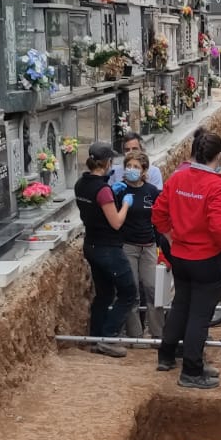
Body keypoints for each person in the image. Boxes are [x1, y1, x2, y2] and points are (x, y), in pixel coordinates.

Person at [152, 128, 221, 389]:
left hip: (181, 255)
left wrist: (172, 238)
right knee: (199, 314)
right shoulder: (217, 186)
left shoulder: (178, 178)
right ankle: (192, 369)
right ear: (218, 156)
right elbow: (218, 226)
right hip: (206, 258)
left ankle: (166, 354)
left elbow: (158, 214)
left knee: (181, 305)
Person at [73, 144, 138, 358]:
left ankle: (95, 337)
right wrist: (126, 204)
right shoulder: (102, 190)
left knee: (104, 293)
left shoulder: (81, 184)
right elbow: (116, 222)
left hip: (91, 244)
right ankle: (108, 337)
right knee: (128, 292)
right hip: (108, 248)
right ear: (106, 163)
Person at [115, 150, 165, 338]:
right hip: (128, 246)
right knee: (133, 291)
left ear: (144, 170)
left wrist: (160, 244)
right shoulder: (120, 191)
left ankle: (158, 334)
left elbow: (159, 220)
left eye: (136, 167)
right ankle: (135, 335)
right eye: (128, 166)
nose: (131, 170)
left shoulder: (151, 192)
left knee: (153, 289)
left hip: (149, 246)